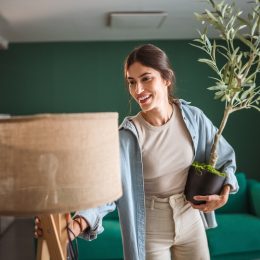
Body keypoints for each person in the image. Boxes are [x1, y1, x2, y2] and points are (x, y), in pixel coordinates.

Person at [35, 44, 239, 260]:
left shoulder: (193, 117)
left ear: (166, 78)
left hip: (191, 220)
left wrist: (225, 191)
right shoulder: (127, 136)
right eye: (132, 82)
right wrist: (76, 225)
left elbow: (225, 157)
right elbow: (107, 190)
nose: (138, 90)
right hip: (151, 229)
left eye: (146, 78)